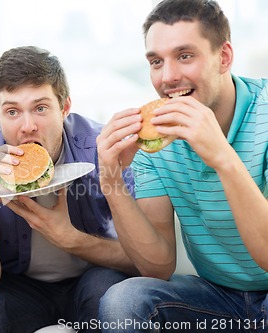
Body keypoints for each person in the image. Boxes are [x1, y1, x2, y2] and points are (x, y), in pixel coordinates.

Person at [96, 0, 268, 332]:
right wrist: (111, 181)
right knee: (123, 300)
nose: (168, 77)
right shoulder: (154, 140)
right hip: (216, 297)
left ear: (224, 57)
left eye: (185, 56)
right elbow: (158, 267)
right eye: (156, 62)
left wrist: (221, 156)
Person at [0, 46, 139, 333]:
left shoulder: (104, 150)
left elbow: (142, 261)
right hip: (20, 287)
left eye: (40, 108)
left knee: (110, 295)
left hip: (91, 278)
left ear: (64, 108)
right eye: (12, 111)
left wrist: (70, 239)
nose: (28, 127)